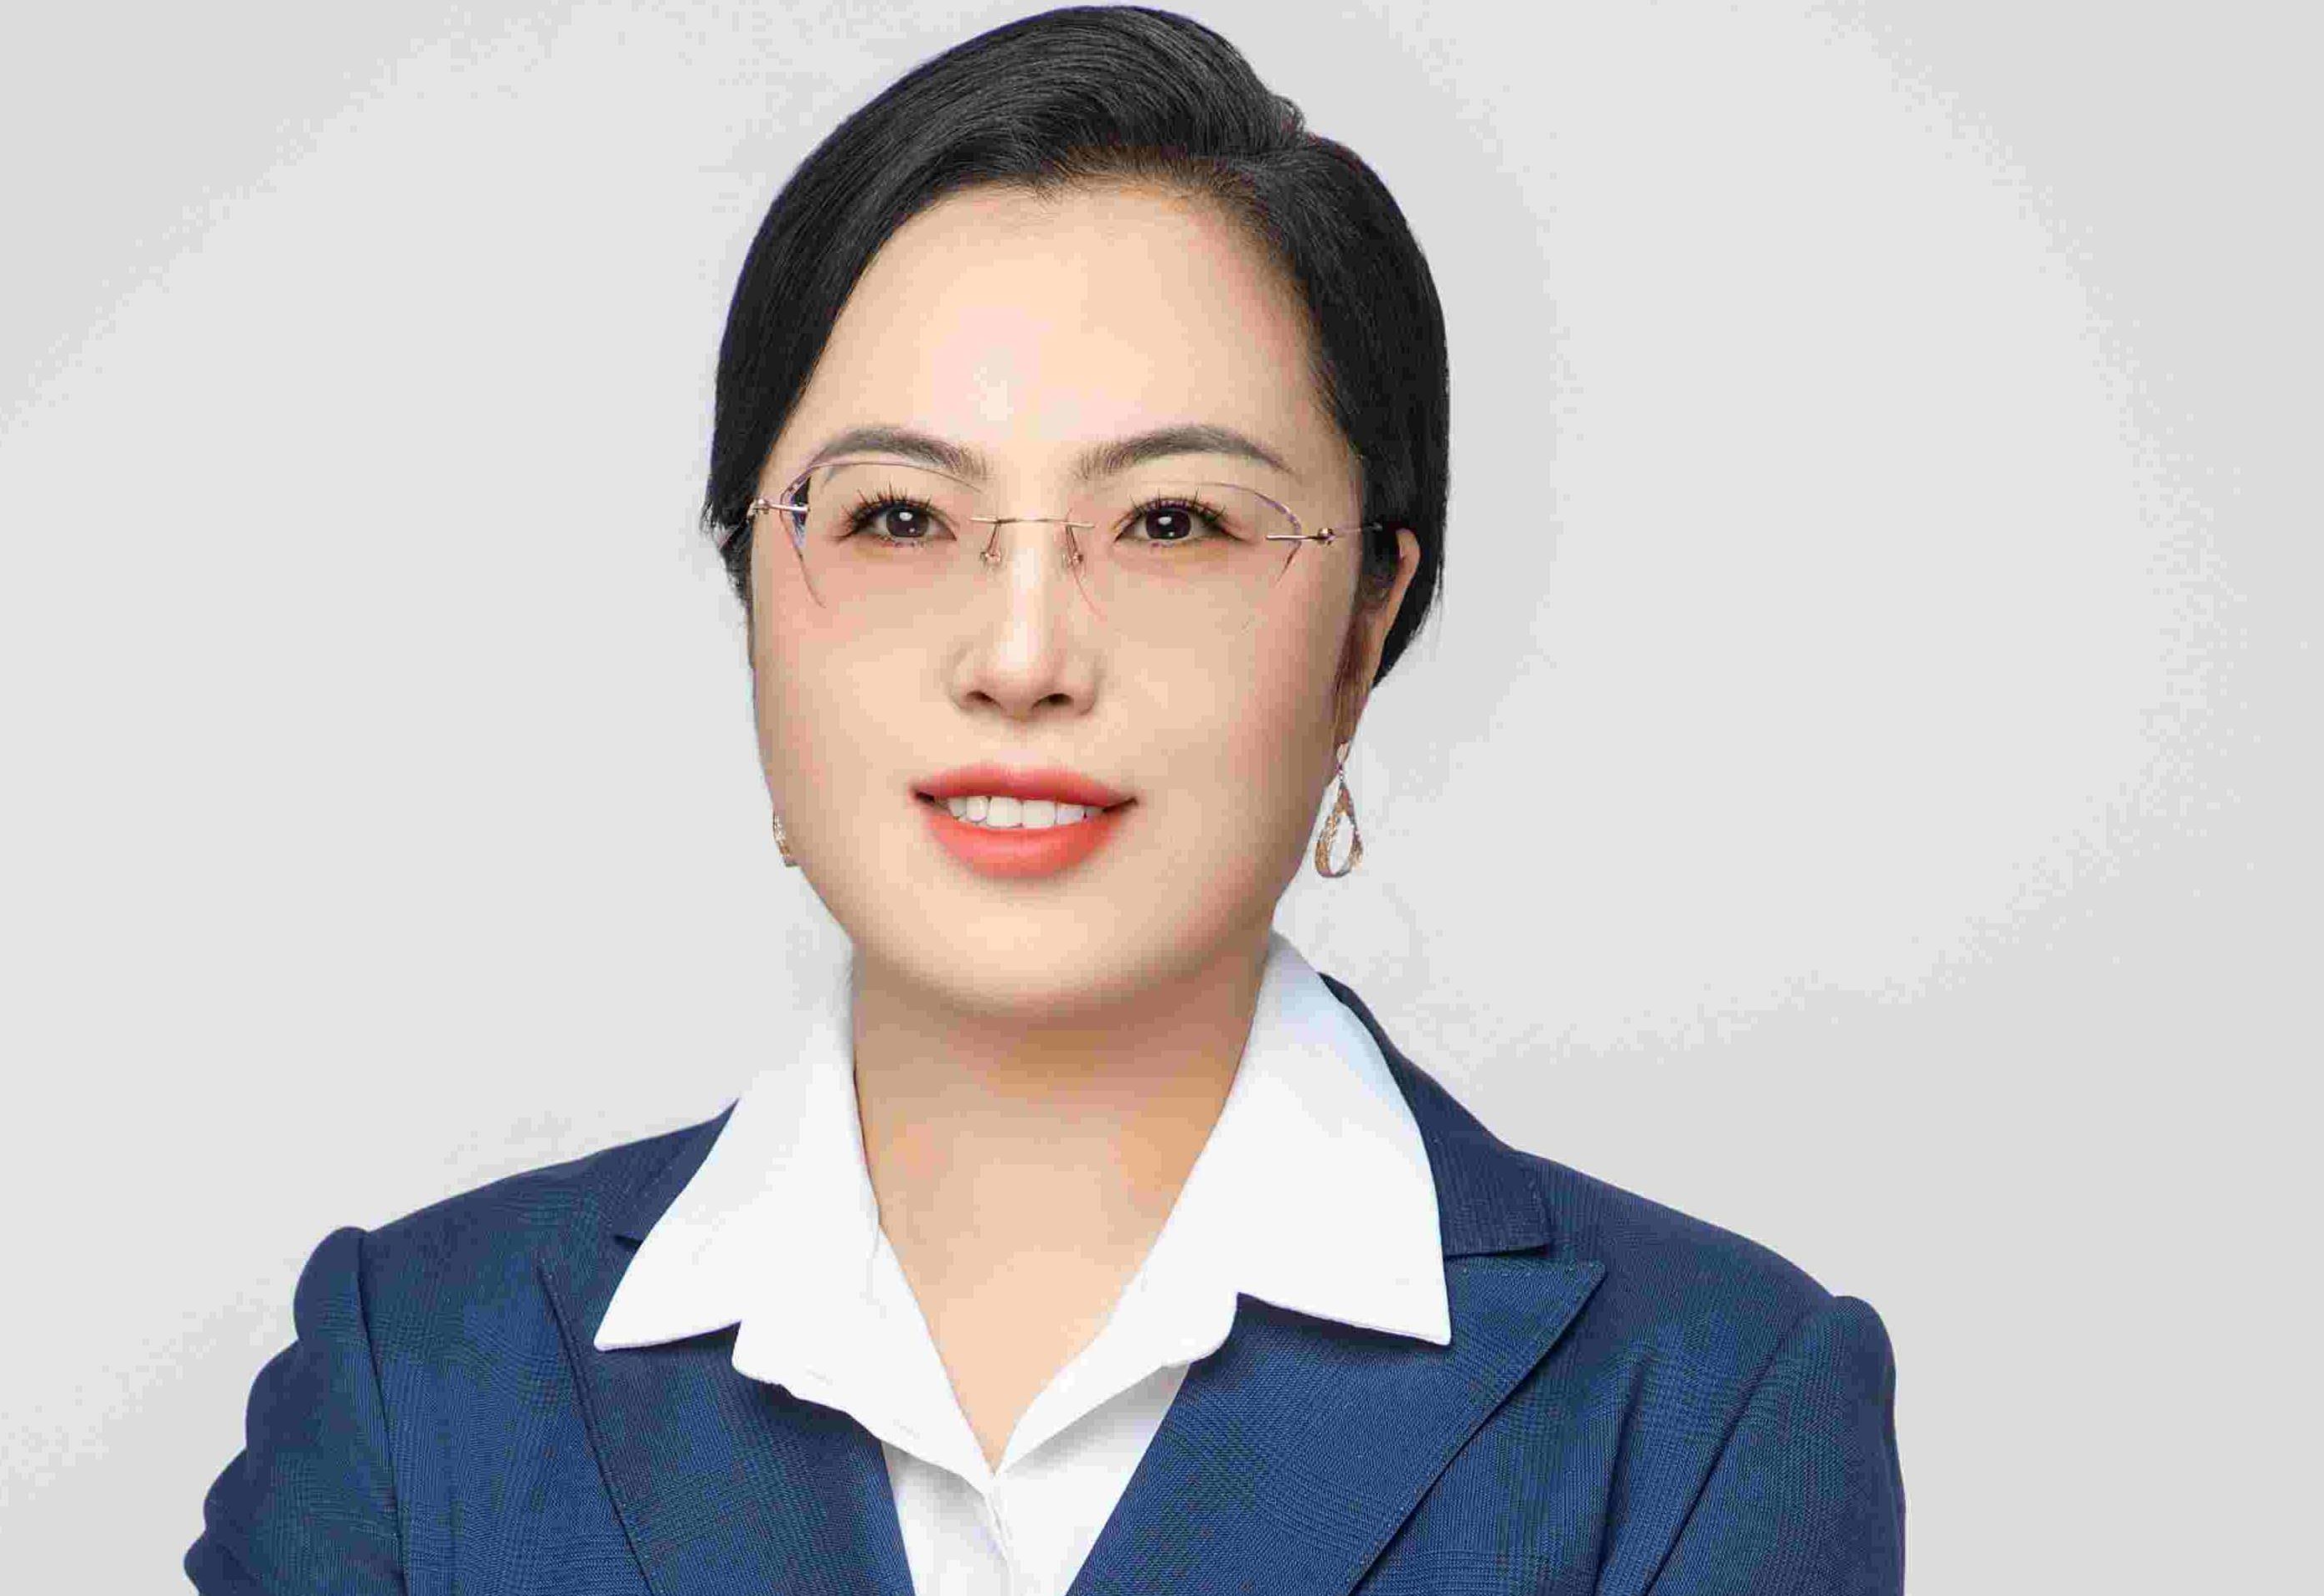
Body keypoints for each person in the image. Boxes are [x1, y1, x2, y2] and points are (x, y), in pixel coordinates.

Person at [185, 8, 1903, 1593]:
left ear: (1364, 621)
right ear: (753, 590)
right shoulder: (422, 1381)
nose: (1021, 658)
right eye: (896, 517)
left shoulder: (1703, 1416)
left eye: (1173, 522)